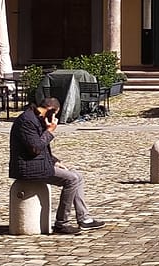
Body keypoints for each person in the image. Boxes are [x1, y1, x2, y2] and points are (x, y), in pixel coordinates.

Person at [9, 97, 104, 235]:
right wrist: (50, 131)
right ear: (50, 110)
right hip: (28, 168)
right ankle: (62, 223)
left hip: (38, 164)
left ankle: (84, 218)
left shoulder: (37, 118)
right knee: (71, 180)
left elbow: (38, 147)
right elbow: (34, 148)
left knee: (77, 176)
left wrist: (54, 160)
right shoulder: (27, 121)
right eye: (55, 114)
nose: (55, 117)